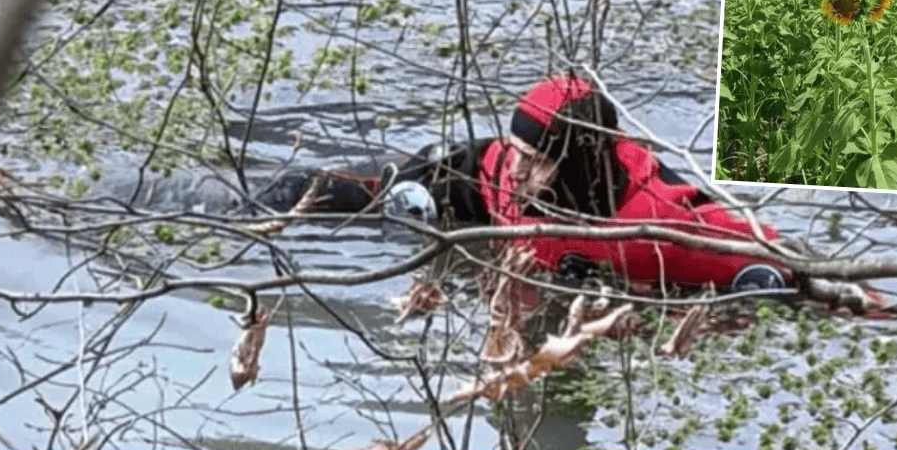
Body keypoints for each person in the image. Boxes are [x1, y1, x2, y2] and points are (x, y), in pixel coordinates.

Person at [254, 74, 795, 292]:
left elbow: (778, 263)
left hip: (601, 274)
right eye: (515, 152)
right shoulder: (497, 167)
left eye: (535, 161)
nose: (515, 171)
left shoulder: (656, 227)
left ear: (575, 166)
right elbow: (471, 170)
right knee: (296, 191)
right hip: (476, 223)